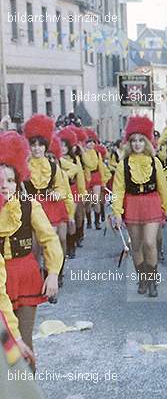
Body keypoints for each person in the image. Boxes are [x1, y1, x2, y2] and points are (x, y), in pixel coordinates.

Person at [0, 132, 62, 371]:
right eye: (0, 180)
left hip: (25, 276)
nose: (4, 186)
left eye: (10, 180)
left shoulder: (29, 205)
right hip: (1, 279)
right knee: (6, 348)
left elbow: (49, 238)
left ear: (18, 181)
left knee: (23, 344)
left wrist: (54, 272)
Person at [112, 116, 167, 298]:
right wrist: (117, 213)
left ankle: (153, 281)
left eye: (140, 140)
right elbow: (118, 190)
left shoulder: (155, 162)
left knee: (150, 242)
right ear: (129, 143)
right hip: (132, 205)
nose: (137, 144)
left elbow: (162, 188)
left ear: (146, 141)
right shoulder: (123, 165)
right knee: (136, 246)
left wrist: (166, 208)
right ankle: (143, 279)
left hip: (152, 203)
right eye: (133, 140)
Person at [23, 115, 74, 289]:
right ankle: (37, 280)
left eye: (40, 145)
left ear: (46, 146)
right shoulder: (23, 166)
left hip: (49, 208)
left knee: (49, 243)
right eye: (33, 145)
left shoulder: (53, 166)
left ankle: (53, 274)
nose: (37, 149)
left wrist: (56, 195)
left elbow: (63, 188)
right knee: (33, 247)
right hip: (29, 207)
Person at [58, 127, 87, 259]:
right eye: (61, 145)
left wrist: (83, 193)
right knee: (65, 219)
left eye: (65, 145)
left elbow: (79, 174)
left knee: (74, 218)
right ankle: (69, 244)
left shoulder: (75, 159)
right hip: (60, 193)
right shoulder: (55, 159)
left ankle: (72, 244)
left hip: (73, 190)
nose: (63, 148)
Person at [81, 129, 108, 230]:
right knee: (87, 201)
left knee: (96, 199)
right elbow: (88, 164)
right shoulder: (82, 154)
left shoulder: (97, 153)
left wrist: (103, 181)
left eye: (93, 142)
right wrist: (83, 152)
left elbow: (101, 167)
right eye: (89, 142)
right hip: (86, 178)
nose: (91, 144)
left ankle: (97, 222)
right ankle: (88, 221)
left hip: (96, 176)